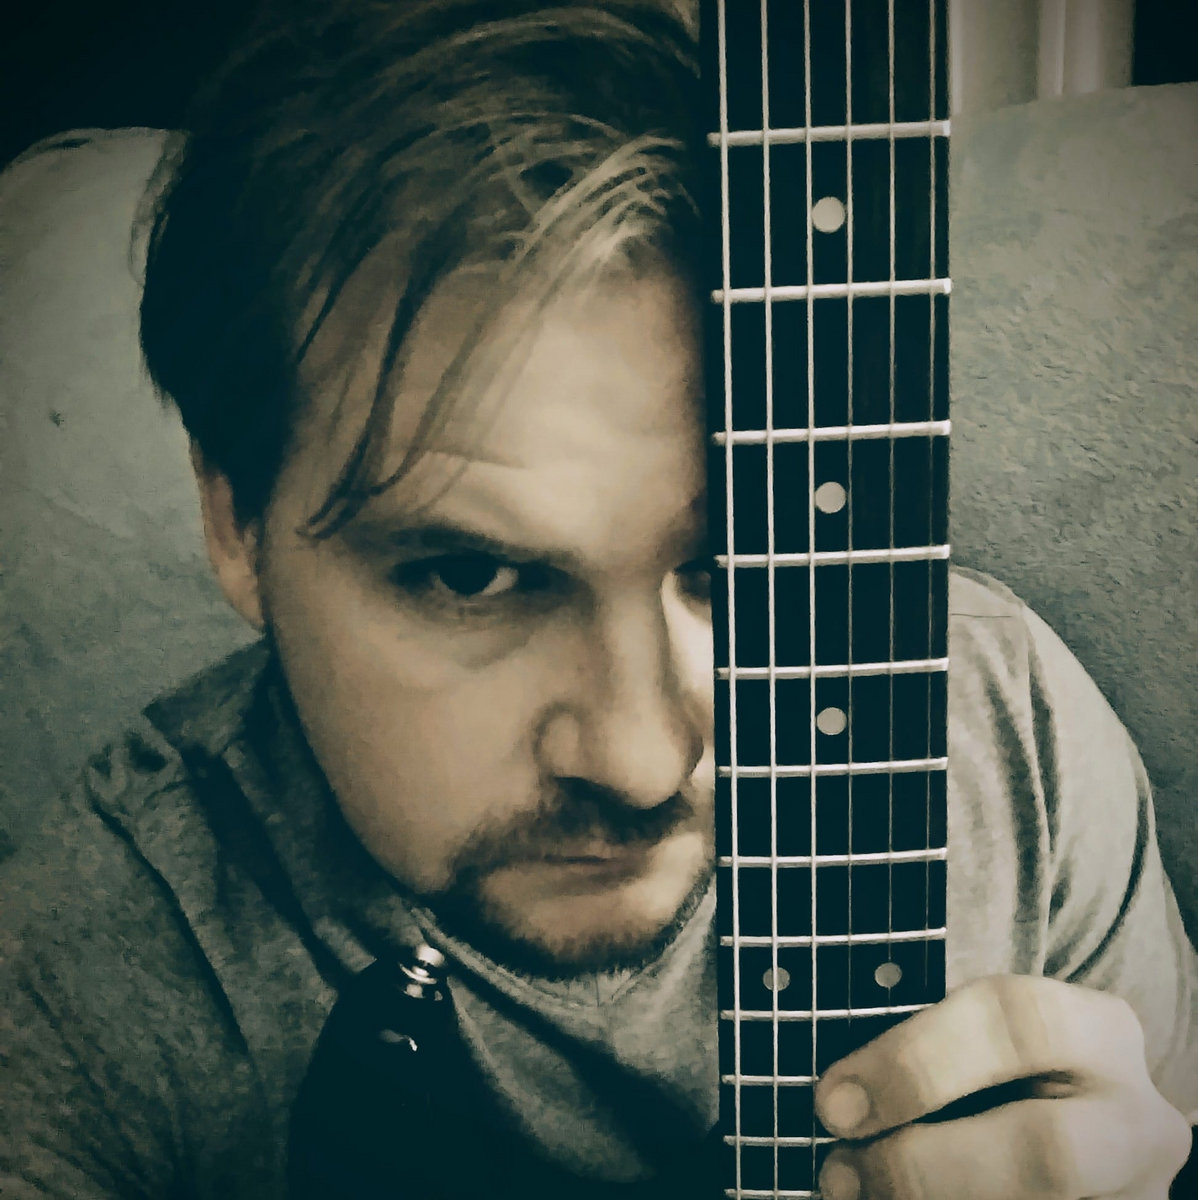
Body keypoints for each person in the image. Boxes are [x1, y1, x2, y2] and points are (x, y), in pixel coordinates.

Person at [1, 2, 1194, 1197]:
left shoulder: (1009, 735)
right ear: (235, 522)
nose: (640, 762)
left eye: (741, 561)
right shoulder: (98, 965)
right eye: (470, 576)